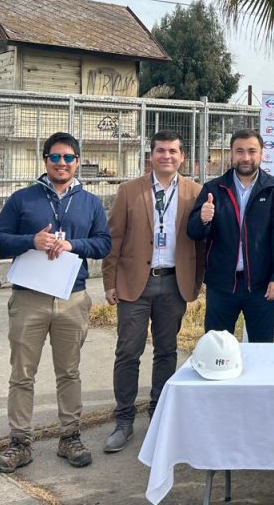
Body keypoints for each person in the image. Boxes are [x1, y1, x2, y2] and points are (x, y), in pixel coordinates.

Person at [0, 132, 111, 474]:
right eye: (55, 157)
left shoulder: (89, 202)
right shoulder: (22, 199)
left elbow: (103, 244)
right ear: (44, 160)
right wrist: (32, 240)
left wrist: (73, 246)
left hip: (72, 298)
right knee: (22, 373)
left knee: (69, 371)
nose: (62, 163)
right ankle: (19, 442)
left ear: (77, 161)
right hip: (29, 298)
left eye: (69, 158)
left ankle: (69, 436)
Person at [101, 131, 205, 454]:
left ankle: (159, 416)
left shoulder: (195, 193)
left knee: (166, 351)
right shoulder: (129, 191)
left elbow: (201, 241)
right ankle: (124, 419)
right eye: (161, 151)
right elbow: (113, 238)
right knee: (128, 351)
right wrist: (109, 281)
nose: (167, 156)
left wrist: (197, 281)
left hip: (174, 283)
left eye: (173, 151)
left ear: (182, 156)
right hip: (135, 282)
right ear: (151, 156)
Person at [187, 129, 274, 342]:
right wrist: (203, 219)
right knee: (217, 348)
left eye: (252, 151)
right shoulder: (213, 188)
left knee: (262, 349)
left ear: (261, 154)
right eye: (239, 151)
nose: (246, 157)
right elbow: (194, 232)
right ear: (231, 154)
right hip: (222, 286)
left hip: (261, 287)